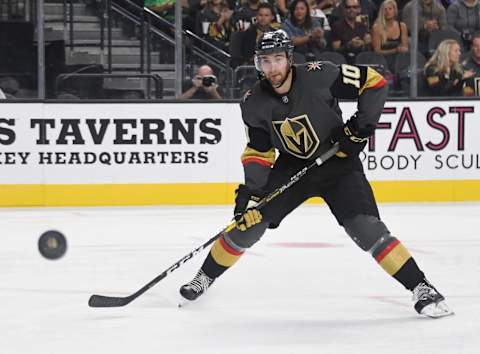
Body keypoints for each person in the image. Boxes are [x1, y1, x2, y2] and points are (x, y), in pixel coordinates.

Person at [179, 29, 453, 318]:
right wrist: (252, 193)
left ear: (288, 58)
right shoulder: (253, 102)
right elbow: (259, 151)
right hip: (292, 164)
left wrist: (359, 130)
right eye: (265, 61)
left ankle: (422, 287)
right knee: (249, 224)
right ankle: (204, 277)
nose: (272, 69)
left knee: (366, 228)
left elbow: (374, 82)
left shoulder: (320, 74)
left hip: (338, 160)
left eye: (277, 60)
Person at [371, 0, 408, 72]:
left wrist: (403, 49)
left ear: (395, 10)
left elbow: (405, 47)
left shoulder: (402, 26)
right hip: (383, 60)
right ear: (382, 12)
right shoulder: (376, 27)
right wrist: (394, 50)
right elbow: (377, 51)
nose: (387, 11)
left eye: (390, 9)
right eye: (385, 9)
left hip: (399, 60)